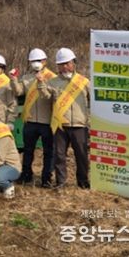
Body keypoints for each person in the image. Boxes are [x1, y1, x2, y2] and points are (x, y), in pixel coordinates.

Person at [38, 48, 91, 189]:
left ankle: (83, 182)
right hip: (60, 125)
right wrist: (41, 83)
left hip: (79, 124)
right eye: (61, 64)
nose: (65, 67)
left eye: (67, 63)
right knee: (59, 155)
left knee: (81, 155)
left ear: (74, 63)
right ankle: (60, 182)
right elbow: (45, 96)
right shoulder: (53, 82)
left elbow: (94, 100)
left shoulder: (84, 81)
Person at [9, 48, 57, 187]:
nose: (36, 63)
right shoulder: (27, 78)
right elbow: (18, 92)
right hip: (30, 120)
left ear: (45, 61)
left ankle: (46, 178)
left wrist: (42, 82)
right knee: (28, 150)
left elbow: (50, 97)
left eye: (39, 60)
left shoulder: (52, 78)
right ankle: (26, 175)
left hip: (47, 120)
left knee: (48, 151)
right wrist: (14, 80)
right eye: (33, 61)